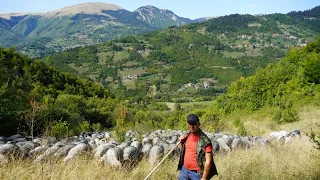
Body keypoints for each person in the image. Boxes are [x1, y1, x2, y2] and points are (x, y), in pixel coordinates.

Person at [177, 114, 218, 180]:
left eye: (194, 124)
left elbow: (208, 161)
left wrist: (204, 178)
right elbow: (182, 150)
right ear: (187, 124)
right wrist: (181, 141)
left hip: (197, 174)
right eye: (190, 124)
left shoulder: (205, 141)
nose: (192, 126)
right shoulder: (187, 135)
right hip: (184, 170)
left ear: (199, 124)